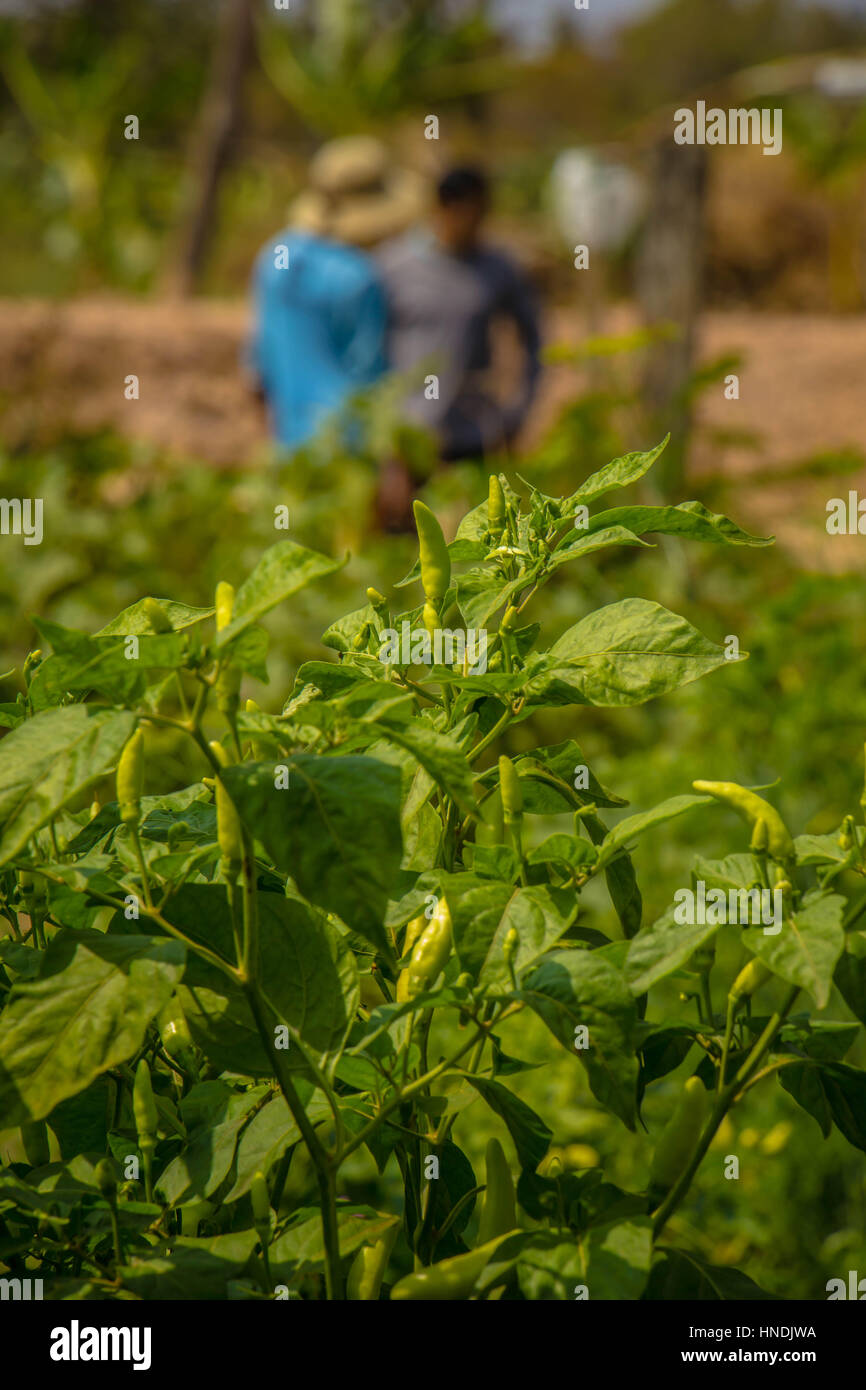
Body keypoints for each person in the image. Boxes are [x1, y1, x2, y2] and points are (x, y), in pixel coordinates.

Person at [247, 136, 425, 453]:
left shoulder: (274, 256)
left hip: (290, 444)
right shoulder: (358, 277)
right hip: (348, 448)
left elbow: (259, 365)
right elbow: (369, 377)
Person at [376, 165, 543, 465]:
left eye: (481, 214)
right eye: (465, 214)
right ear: (441, 208)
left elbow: (533, 338)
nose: (474, 224)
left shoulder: (498, 268)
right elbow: (369, 347)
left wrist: (520, 408)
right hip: (408, 438)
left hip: (474, 434)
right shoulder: (392, 266)